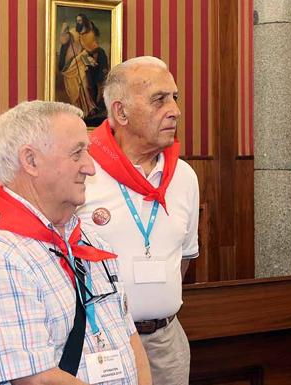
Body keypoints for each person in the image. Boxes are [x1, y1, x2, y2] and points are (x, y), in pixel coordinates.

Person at [0, 101, 151, 384]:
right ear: (30, 161)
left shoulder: (90, 240)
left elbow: (130, 340)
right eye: (77, 153)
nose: (90, 167)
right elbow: (37, 380)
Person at [77, 56, 199, 385]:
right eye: (159, 100)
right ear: (121, 112)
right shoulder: (83, 173)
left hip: (166, 342)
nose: (174, 110)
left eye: (174, 98)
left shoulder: (184, 177)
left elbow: (184, 259)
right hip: (102, 343)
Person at [59, 13, 109, 121]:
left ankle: (90, 107)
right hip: (75, 63)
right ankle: (80, 109)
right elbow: (64, 39)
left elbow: (93, 48)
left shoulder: (90, 34)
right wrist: (64, 28)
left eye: (80, 21)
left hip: (85, 63)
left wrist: (89, 57)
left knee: (85, 85)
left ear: (84, 21)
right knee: (78, 87)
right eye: (77, 21)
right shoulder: (74, 32)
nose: (78, 23)